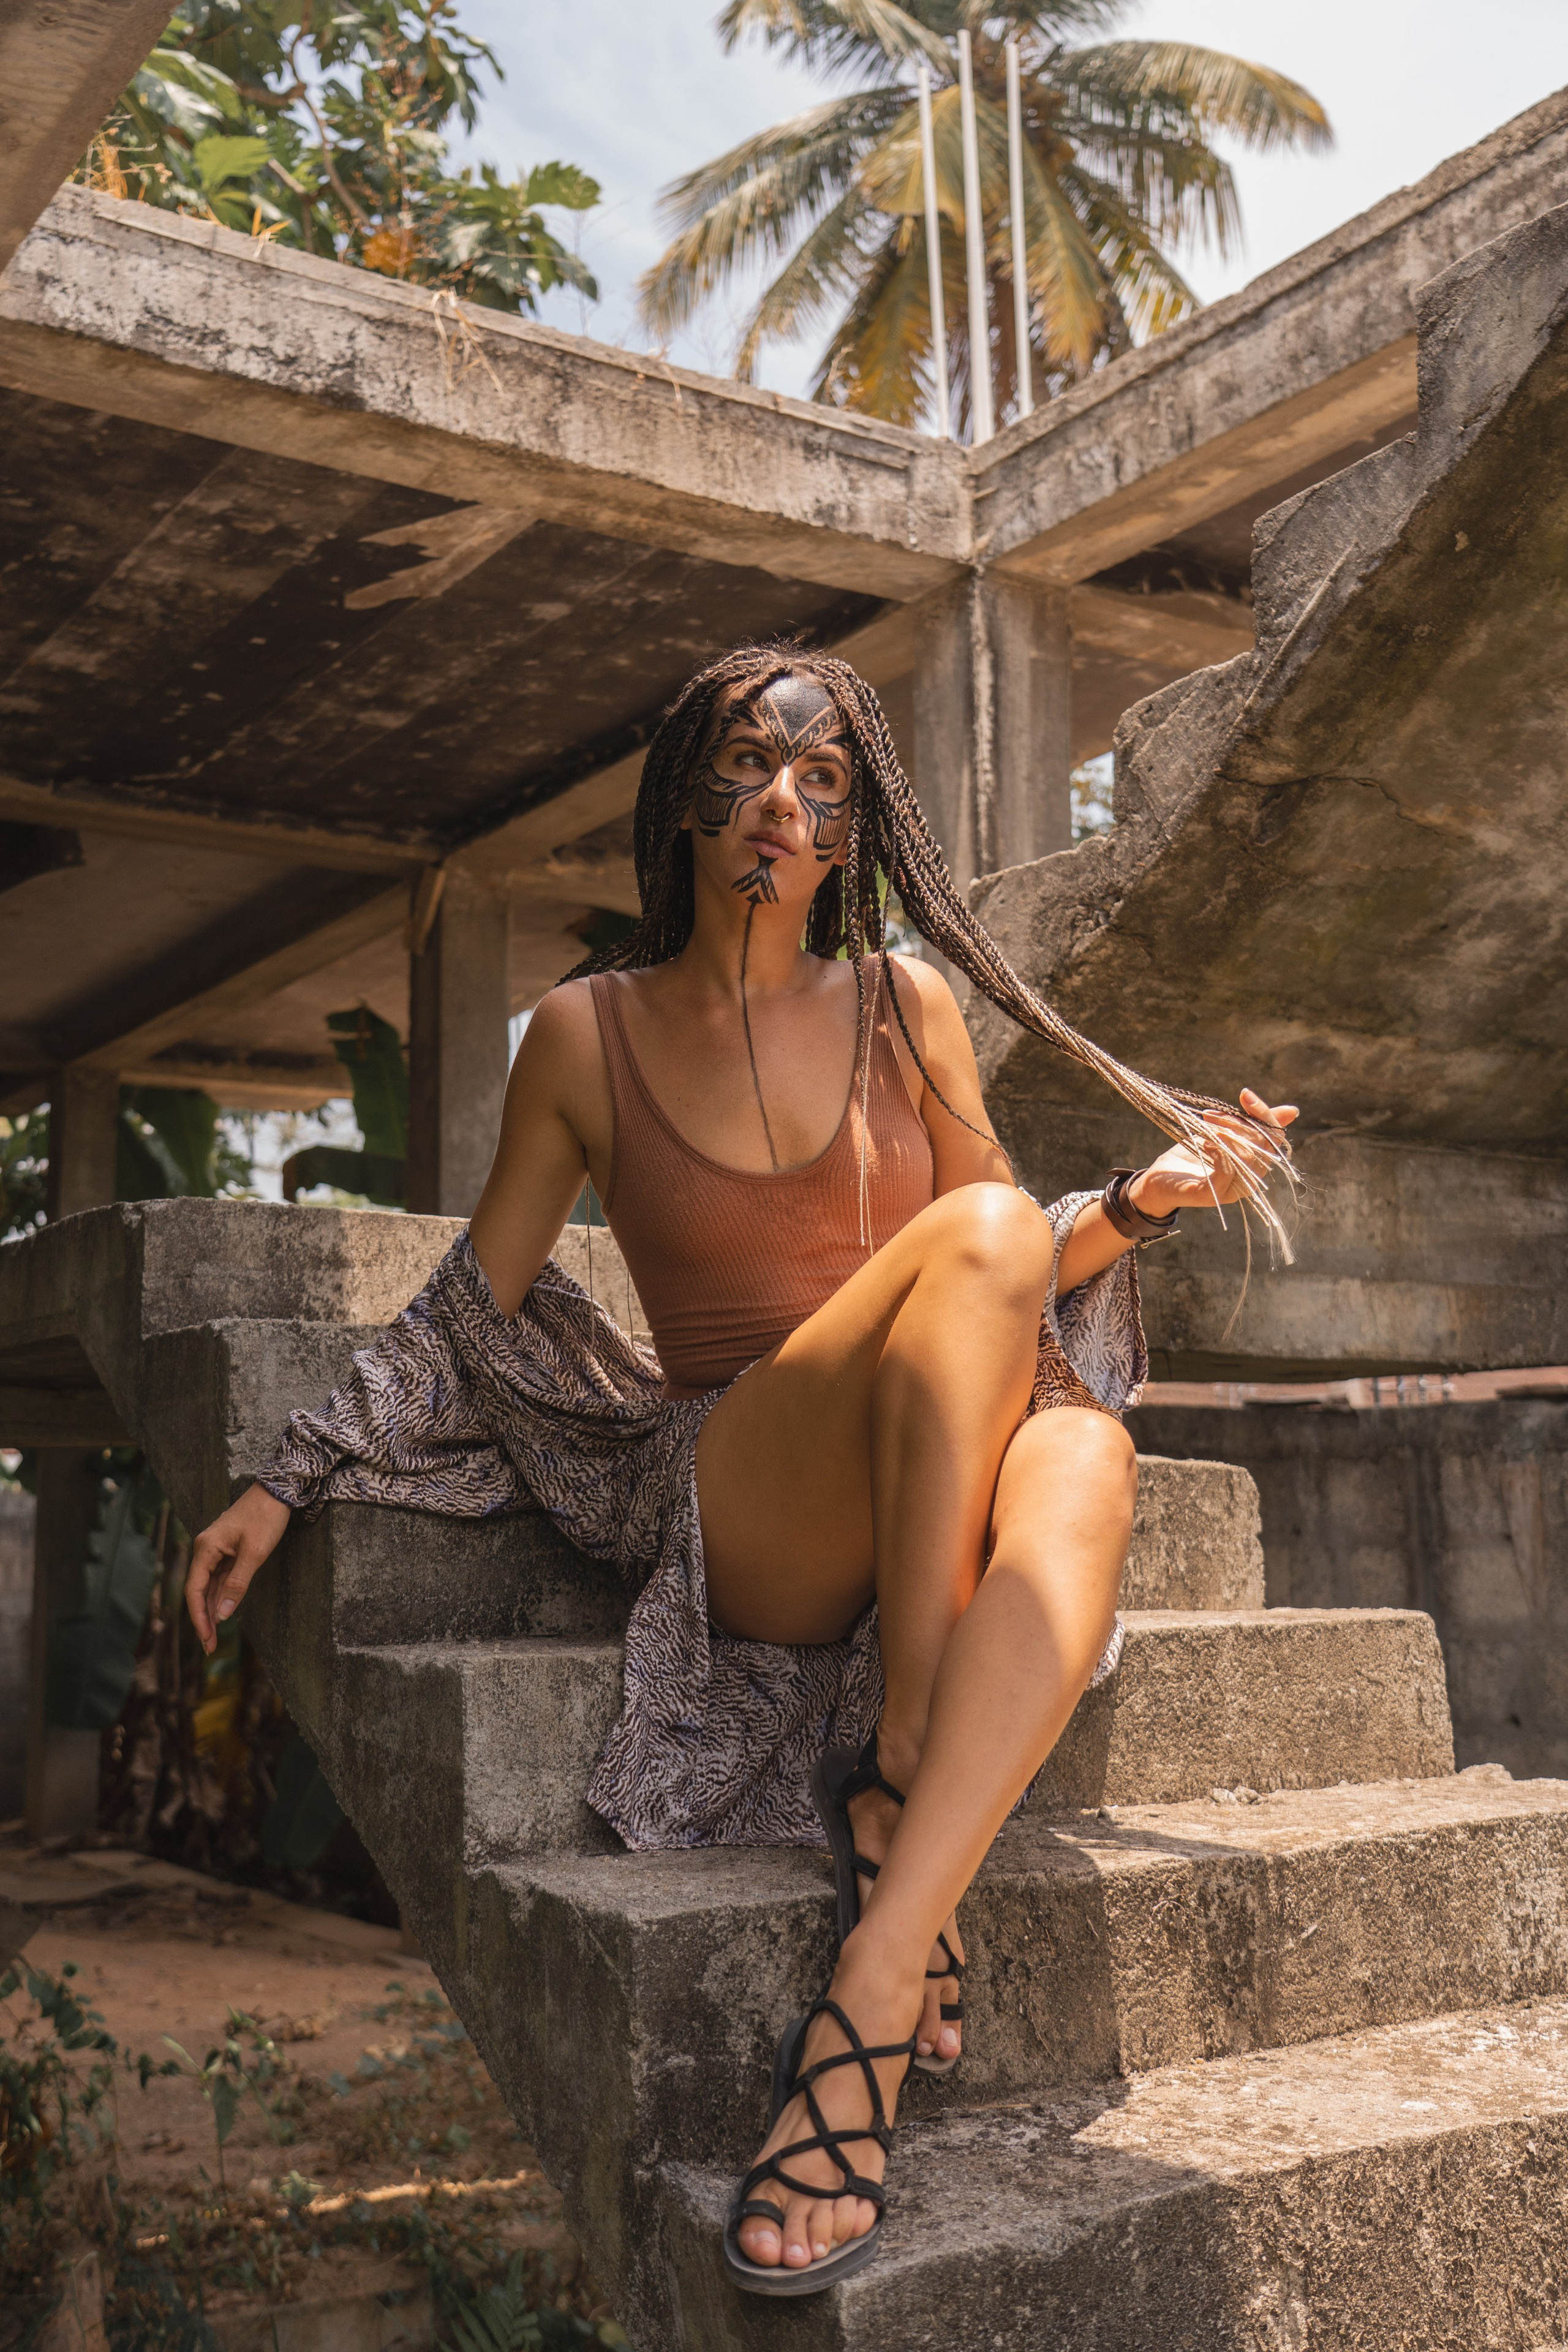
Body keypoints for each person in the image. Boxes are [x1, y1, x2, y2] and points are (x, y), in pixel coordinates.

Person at [185, 646, 1295, 2297]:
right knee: (984, 1232)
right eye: (748, 766)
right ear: (686, 800)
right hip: (752, 1501)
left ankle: (874, 1959)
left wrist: (1140, 1202)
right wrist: (291, 1470)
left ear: (855, 826)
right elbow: (467, 1304)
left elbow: (1010, 1268)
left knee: (1081, 1452)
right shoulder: (583, 1037)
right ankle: (913, 1738)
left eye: (825, 777)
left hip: (934, 1468)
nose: (784, 797)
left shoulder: (909, 1008)